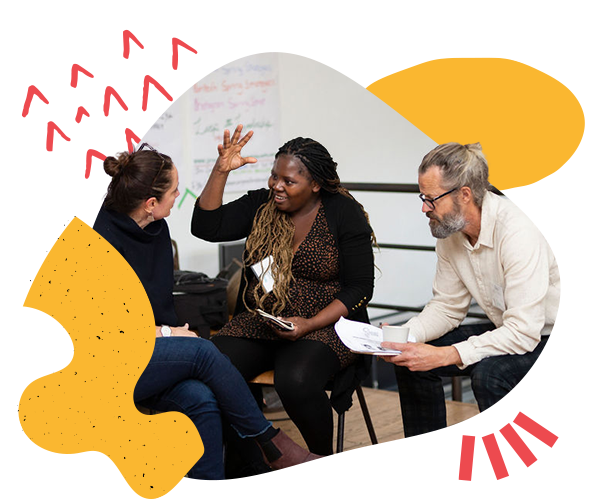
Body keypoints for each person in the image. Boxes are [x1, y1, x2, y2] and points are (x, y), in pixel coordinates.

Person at [92, 143, 337, 482]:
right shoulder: (98, 243)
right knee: (203, 350)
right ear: (151, 204)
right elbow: (102, 331)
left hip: (149, 355)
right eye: (175, 190)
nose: (179, 194)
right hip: (108, 365)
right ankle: (271, 443)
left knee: (203, 400)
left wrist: (167, 332)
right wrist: (167, 334)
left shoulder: (156, 229)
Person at [191, 125, 375, 476]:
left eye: (289, 181)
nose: (277, 186)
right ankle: (254, 468)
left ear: (316, 185)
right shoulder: (262, 205)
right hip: (265, 318)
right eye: (275, 176)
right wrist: (220, 171)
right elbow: (206, 227)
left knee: (295, 379)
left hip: (327, 324)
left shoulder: (343, 213)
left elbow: (359, 288)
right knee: (214, 367)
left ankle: (322, 466)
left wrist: (310, 323)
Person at [381, 142, 561, 481]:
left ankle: (510, 482)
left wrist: (447, 354)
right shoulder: (451, 232)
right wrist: (407, 336)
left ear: (464, 194)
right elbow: (448, 307)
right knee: (410, 356)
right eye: (422, 197)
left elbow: (523, 331)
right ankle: (439, 472)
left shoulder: (517, 231)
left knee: (491, 375)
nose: (424, 209)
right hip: (519, 331)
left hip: (566, 338)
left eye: (430, 198)